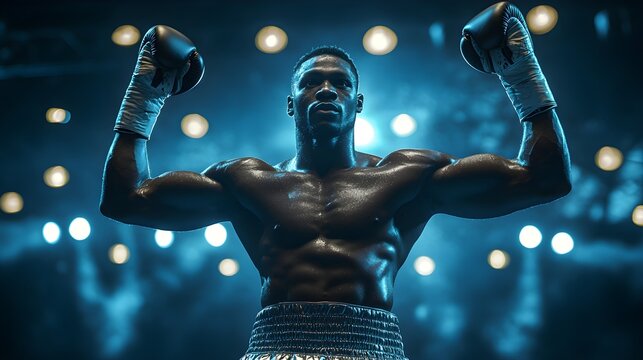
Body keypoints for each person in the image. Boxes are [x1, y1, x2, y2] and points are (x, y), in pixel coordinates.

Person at [100, 2, 571, 359]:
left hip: (373, 349)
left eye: (341, 83)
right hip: (272, 348)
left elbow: (543, 180)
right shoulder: (246, 181)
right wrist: (144, 96)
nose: (326, 89)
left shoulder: (407, 175)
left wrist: (521, 75)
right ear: (290, 104)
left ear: (358, 103)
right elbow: (127, 201)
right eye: (310, 82)